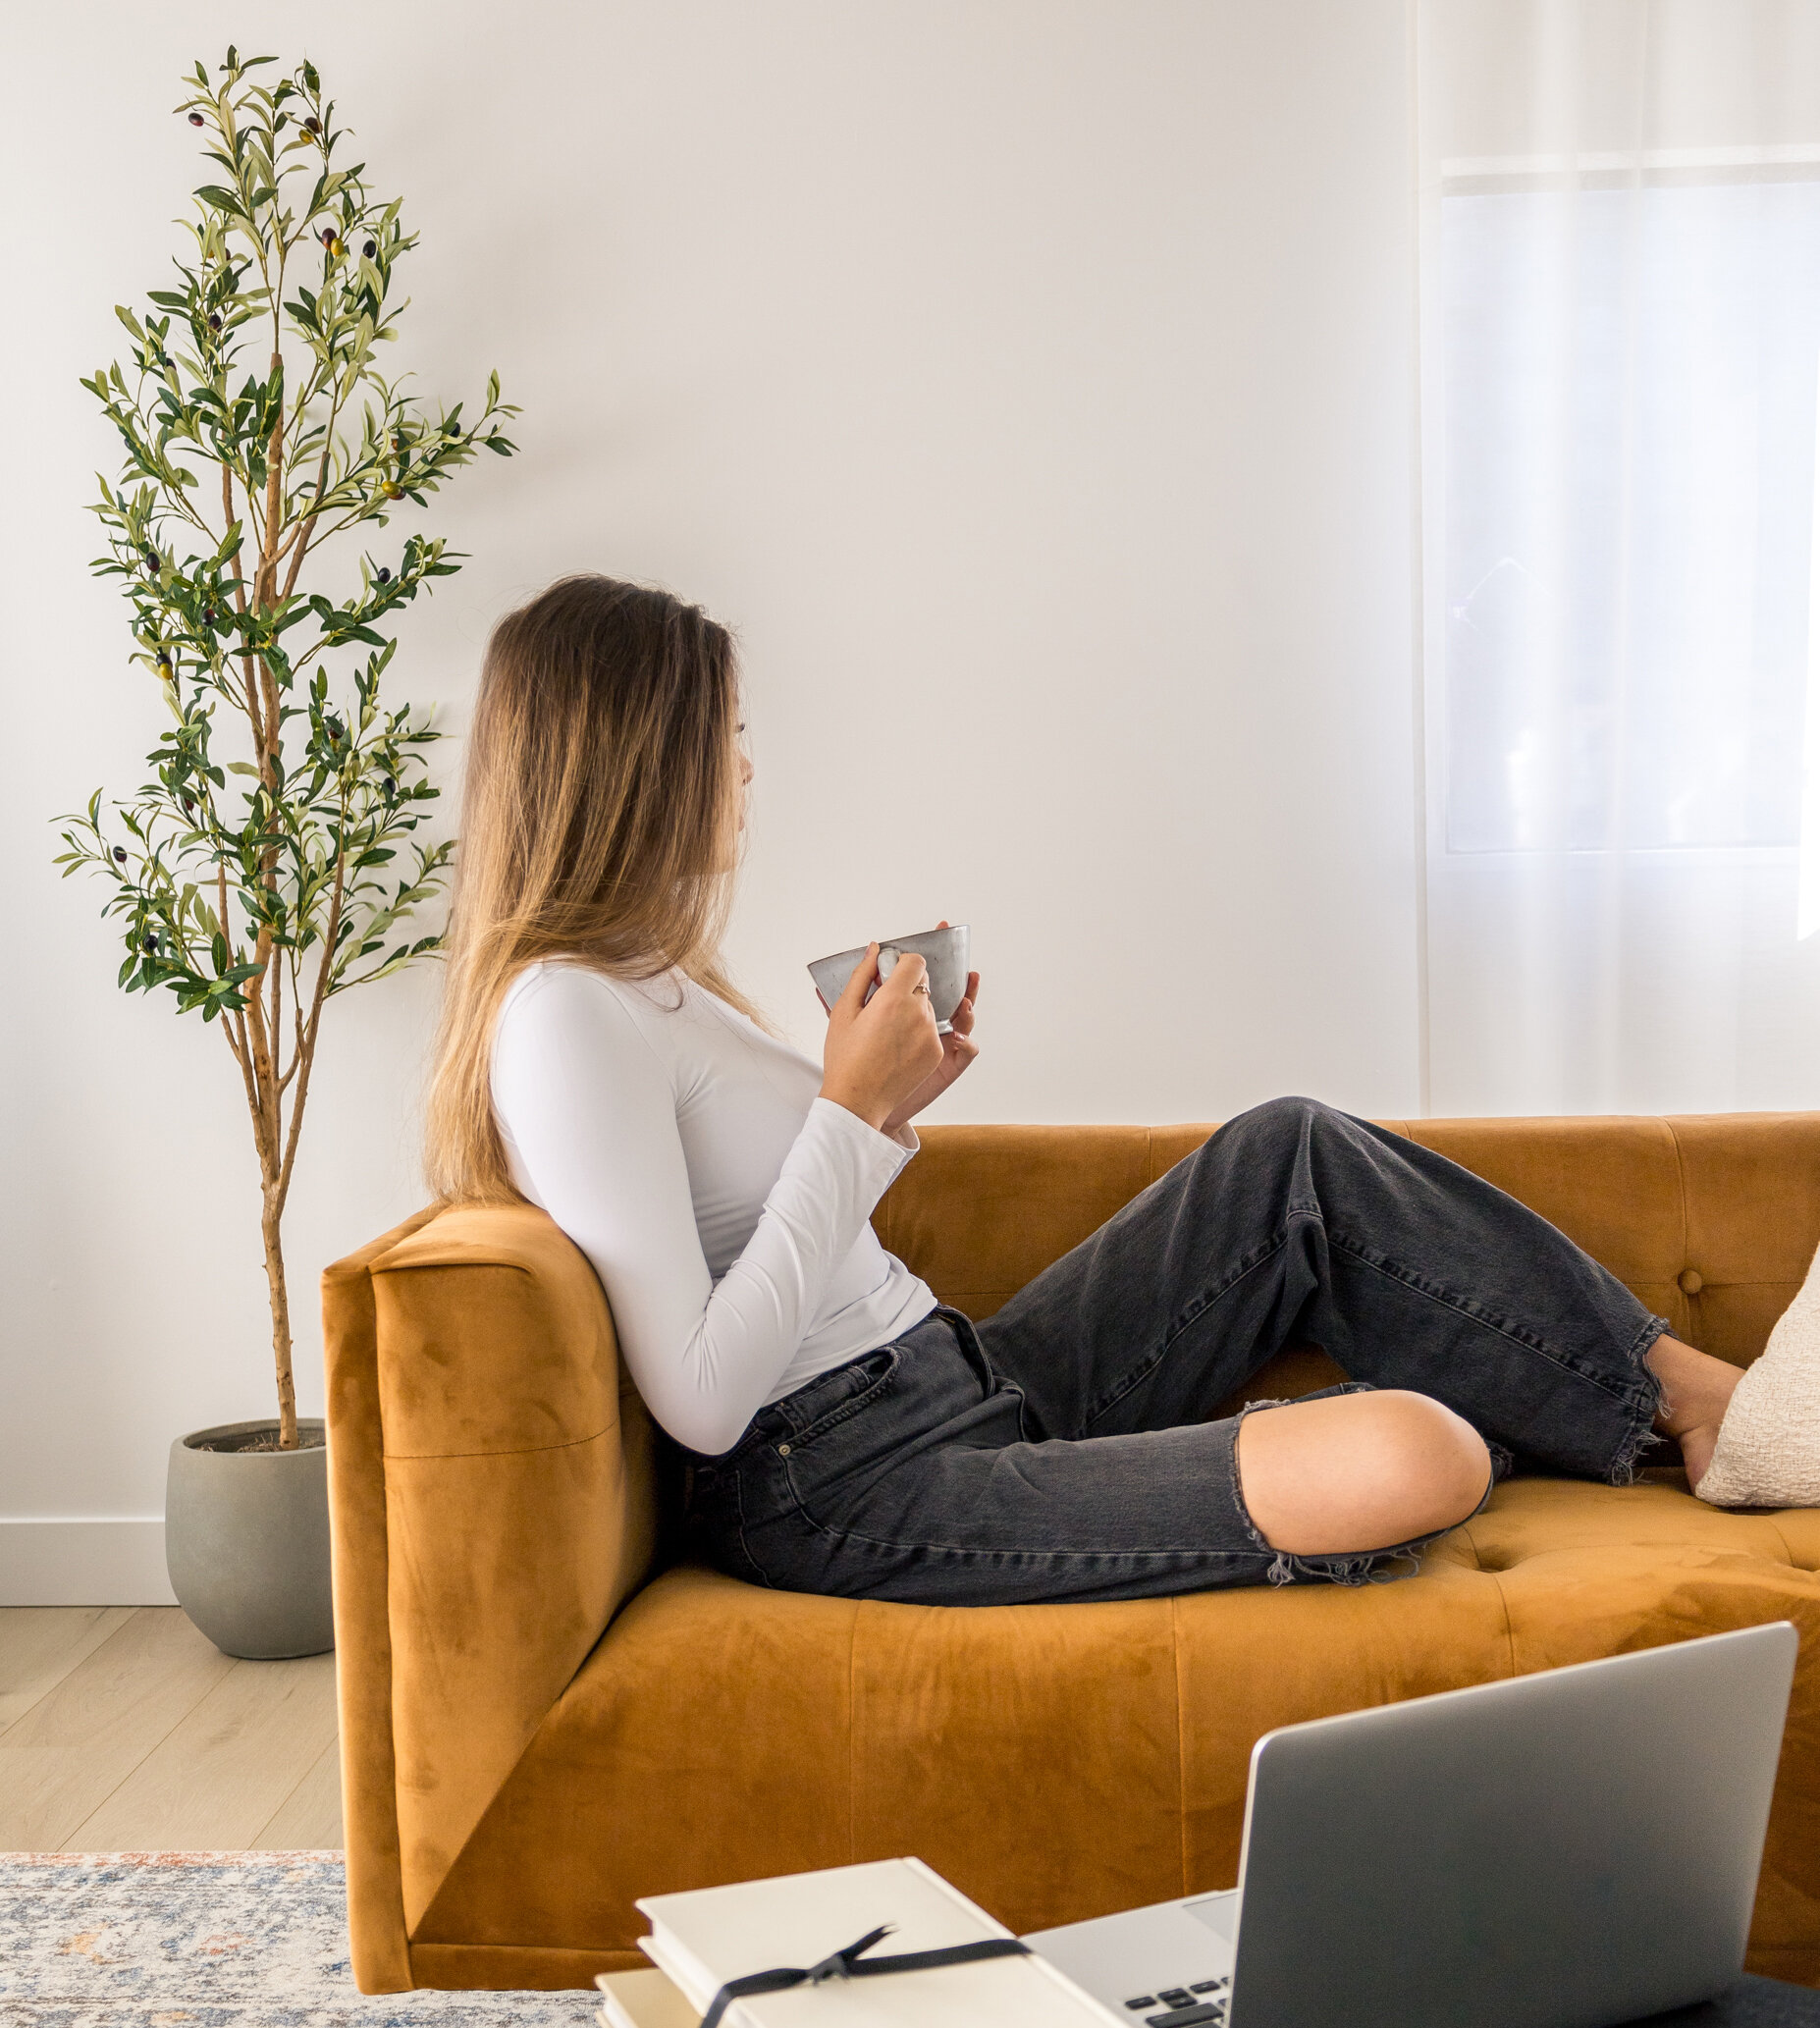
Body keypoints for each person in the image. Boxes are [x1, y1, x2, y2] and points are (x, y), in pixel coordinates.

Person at [424, 573, 1752, 1608]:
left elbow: (796, 1232)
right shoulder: (559, 1017)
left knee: (1287, 1155)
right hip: (843, 1478)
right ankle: (1415, 1441)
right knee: (1422, 1454)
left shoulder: (650, 979)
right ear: (637, 757)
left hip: (956, 1373)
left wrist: (883, 1106)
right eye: (725, 734)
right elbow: (704, 1403)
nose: (747, 766)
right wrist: (844, 1114)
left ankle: (1701, 1400)